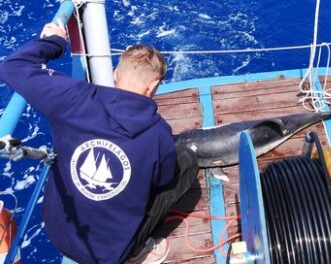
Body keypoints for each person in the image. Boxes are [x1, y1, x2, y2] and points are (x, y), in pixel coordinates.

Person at [0, 19, 198, 264]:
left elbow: (12, 67)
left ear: (116, 74)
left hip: (59, 231)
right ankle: (138, 252)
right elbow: (163, 180)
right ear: (154, 85)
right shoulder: (158, 134)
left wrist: (54, 41)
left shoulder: (73, 98)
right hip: (110, 255)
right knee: (186, 161)